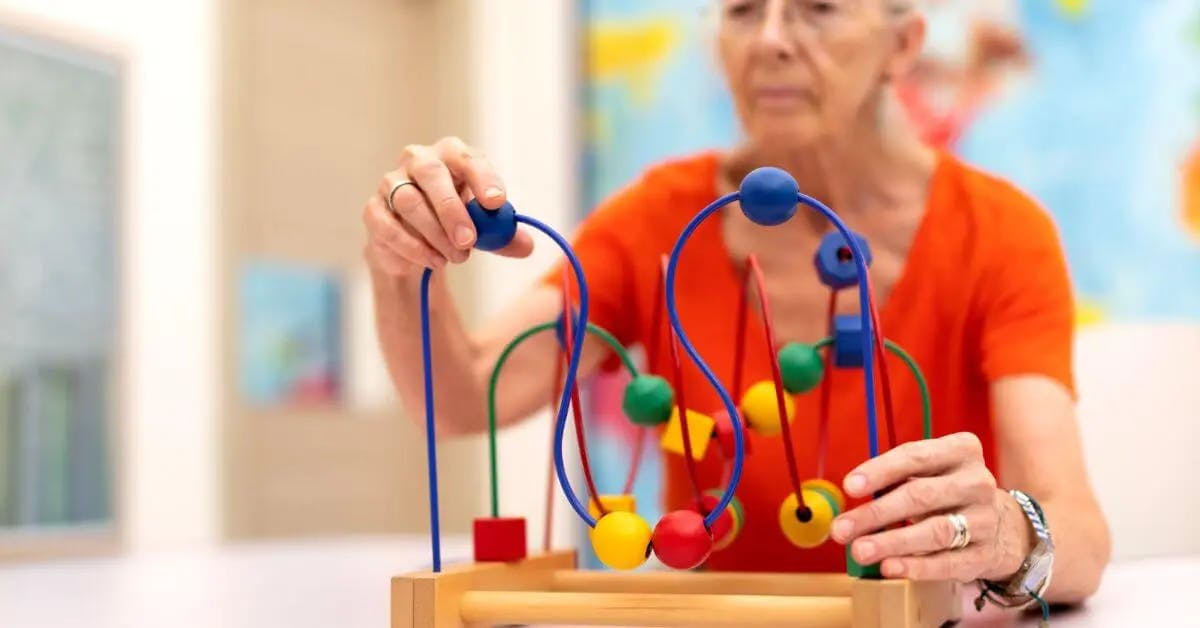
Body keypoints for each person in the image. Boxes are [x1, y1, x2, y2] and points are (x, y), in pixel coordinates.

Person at [362, 0, 1110, 608]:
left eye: (818, 10)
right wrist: (400, 262)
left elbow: (1074, 527)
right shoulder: (655, 220)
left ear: (903, 43)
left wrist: (1015, 534)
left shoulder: (1001, 233)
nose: (772, 40)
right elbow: (463, 396)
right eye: (744, 11)